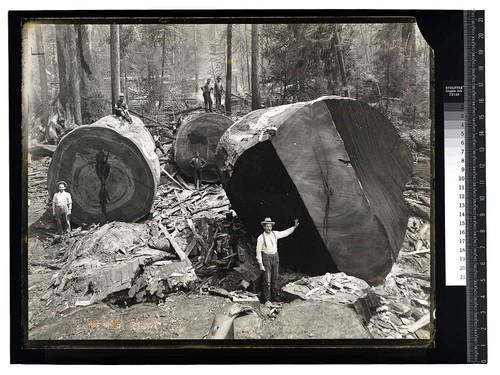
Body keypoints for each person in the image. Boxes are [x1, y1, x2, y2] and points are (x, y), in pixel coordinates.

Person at [256, 217, 299, 305]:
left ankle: (275, 296)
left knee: (275, 278)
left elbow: (285, 233)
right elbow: (258, 251)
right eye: (267, 226)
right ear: (264, 227)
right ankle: (267, 299)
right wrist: (260, 263)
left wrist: (294, 227)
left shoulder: (275, 234)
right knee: (267, 280)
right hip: (266, 258)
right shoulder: (260, 238)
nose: (269, 228)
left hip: (275, 257)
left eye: (270, 226)